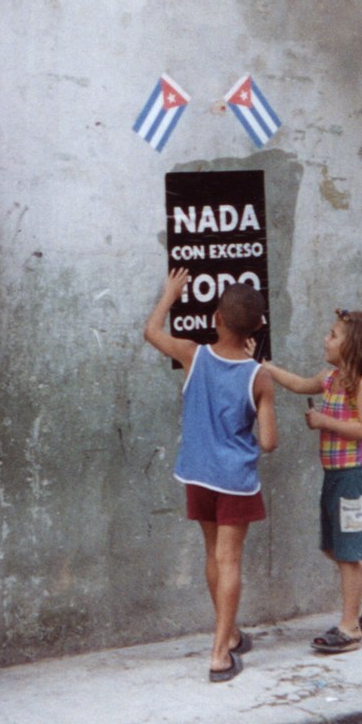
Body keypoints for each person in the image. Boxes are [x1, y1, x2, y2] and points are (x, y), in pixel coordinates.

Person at [143, 268, 278, 682]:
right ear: (257, 326)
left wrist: (169, 293)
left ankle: (231, 633)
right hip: (234, 479)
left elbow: (151, 331)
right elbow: (270, 442)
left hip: (197, 473)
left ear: (216, 317)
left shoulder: (192, 353)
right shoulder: (259, 375)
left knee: (211, 555)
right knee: (230, 559)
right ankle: (220, 653)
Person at [258, 308, 362, 654]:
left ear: (353, 347)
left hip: (353, 479)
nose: (325, 339)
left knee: (348, 555)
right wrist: (264, 366)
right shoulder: (331, 377)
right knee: (334, 547)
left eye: (333, 335)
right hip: (334, 477)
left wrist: (323, 421)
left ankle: (350, 627)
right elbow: (299, 384)